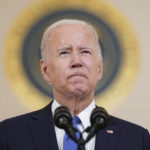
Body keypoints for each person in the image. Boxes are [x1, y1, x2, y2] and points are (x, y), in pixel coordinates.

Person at [0, 19, 150, 150]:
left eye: (85, 52)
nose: (76, 62)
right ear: (45, 70)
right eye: (64, 52)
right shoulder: (9, 134)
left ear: (99, 69)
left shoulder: (137, 139)